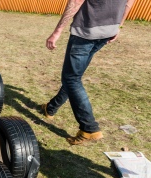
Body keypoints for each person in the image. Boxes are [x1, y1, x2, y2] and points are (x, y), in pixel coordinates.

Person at [41, 0, 135, 145]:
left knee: (71, 78)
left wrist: (57, 31)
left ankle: (89, 129)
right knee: (74, 77)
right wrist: (118, 26)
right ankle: (51, 108)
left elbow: (76, 1)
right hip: (108, 30)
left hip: (86, 32)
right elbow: (129, 2)